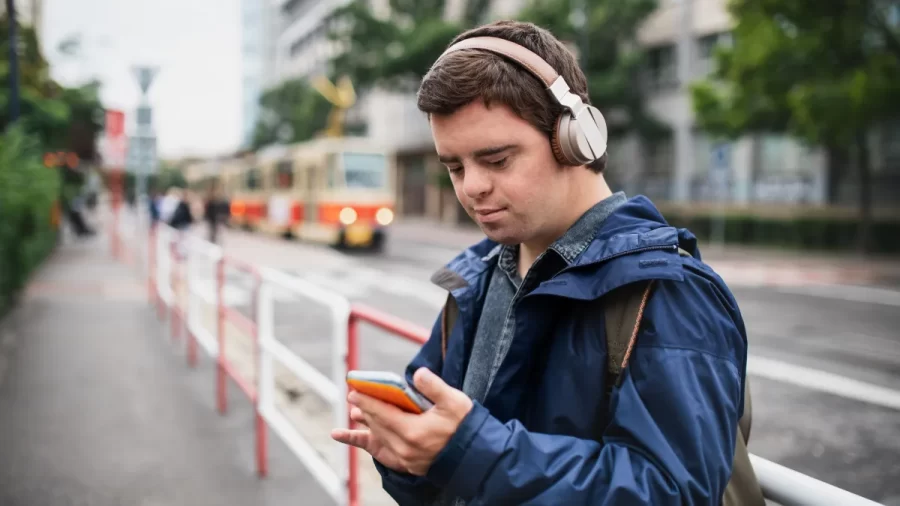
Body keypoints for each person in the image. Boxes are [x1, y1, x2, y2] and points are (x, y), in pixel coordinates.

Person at [330, 20, 754, 506]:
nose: (471, 187)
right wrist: (408, 455)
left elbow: (674, 492)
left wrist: (469, 454)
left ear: (576, 138)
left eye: (497, 160)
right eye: (454, 167)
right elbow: (446, 457)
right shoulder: (477, 277)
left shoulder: (669, 291)